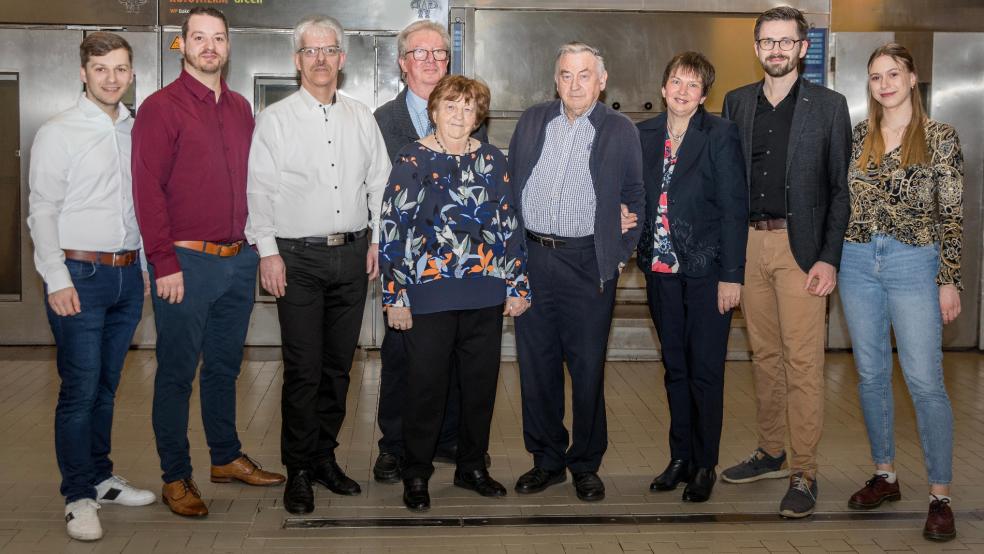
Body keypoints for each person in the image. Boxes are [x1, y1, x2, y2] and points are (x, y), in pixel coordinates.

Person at [132, 6, 285, 518]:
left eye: (218, 38)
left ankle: (225, 457)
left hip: (237, 261)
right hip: (185, 263)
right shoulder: (162, 107)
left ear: (228, 46)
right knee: (176, 372)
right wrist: (162, 263)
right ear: (183, 44)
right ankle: (176, 474)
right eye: (199, 37)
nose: (209, 46)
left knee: (223, 367)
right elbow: (147, 192)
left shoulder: (241, 107)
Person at [245, 15, 390, 515]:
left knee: (337, 368)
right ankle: (299, 470)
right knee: (304, 369)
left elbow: (380, 183)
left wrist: (376, 238)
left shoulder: (360, 116)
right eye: (311, 51)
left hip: (352, 255)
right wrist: (267, 252)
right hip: (298, 258)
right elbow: (258, 191)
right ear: (297, 60)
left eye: (329, 50)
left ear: (342, 59)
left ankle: (325, 457)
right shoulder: (276, 119)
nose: (321, 59)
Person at [718, 5, 851, 518]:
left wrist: (828, 258)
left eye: (786, 41)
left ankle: (805, 470)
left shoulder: (829, 106)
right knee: (764, 359)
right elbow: (727, 185)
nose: (776, 49)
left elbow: (841, 191)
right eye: (767, 41)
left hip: (802, 253)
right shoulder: (735, 104)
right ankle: (771, 451)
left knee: (802, 363)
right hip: (748, 248)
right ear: (756, 49)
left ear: (803, 48)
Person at [379, 75, 530, 512]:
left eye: (468, 108)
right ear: (434, 111)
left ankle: (471, 468)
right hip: (428, 297)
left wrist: (517, 285)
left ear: (478, 116)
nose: (459, 116)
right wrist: (395, 297)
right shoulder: (412, 158)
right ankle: (416, 472)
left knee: (479, 389)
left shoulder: (491, 159)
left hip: (485, 294)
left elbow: (509, 225)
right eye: (451, 106)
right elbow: (392, 230)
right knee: (426, 389)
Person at [27, 32, 155, 541]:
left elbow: (140, 206)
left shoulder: (134, 129)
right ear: (83, 72)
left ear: (131, 74)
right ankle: (78, 495)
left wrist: (143, 266)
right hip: (78, 276)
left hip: (126, 274)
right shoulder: (58, 132)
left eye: (120, 69)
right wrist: (55, 277)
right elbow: (42, 209)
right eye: (101, 68)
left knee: (106, 387)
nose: (111, 78)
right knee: (79, 390)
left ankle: (101, 478)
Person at [508, 42, 645, 503]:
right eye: (566, 74)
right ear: (556, 79)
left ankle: (585, 463)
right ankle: (546, 460)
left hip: (588, 264)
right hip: (532, 258)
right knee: (536, 366)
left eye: (584, 75)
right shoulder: (532, 121)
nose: (574, 84)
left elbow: (635, 197)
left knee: (587, 368)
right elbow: (510, 189)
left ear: (601, 81)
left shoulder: (620, 129)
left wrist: (616, 253)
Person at [839, 43, 962, 542]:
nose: (885, 83)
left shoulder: (939, 137)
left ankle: (940, 495)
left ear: (913, 79)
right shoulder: (857, 137)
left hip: (916, 261)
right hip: (857, 260)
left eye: (894, 73)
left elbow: (952, 213)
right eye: (875, 76)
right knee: (870, 374)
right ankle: (885, 474)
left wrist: (948, 278)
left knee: (923, 378)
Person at [371, 20, 489, 483]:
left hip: (459, 267)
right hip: (408, 263)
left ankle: (448, 438)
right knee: (402, 353)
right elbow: (374, 191)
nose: (432, 61)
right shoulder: (382, 121)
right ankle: (394, 445)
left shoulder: (467, 110)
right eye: (421, 53)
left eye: (440, 53)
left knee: (457, 357)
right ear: (403, 63)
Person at [636, 52, 747, 503]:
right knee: (675, 369)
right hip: (660, 269)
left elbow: (734, 207)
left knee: (705, 371)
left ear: (704, 95)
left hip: (706, 272)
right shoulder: (642, 134)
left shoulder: (720, 135)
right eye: (676, 82)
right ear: (663, 88)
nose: (683, 91)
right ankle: (679, 457)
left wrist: (731, 275)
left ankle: (705, 464)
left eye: (693, 85)